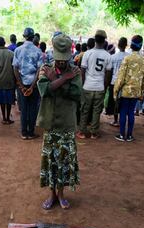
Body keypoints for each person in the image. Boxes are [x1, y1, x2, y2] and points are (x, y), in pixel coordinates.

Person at [37, 34, 82, 210]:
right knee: (50, 161)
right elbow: (45, 90)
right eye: (58, 59)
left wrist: (55, 80)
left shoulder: (76, 72)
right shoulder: (45, 69)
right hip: (50, 124)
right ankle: (52, 195)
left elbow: (77, 94)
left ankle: (62, 194)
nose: (61, 63)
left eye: (64, 60)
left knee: (64, 161)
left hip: (67, 124)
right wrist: (64, 79)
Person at [76, 30, 112, 139]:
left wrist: (82, 85)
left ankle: (82, 132)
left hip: (87, 86)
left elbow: (82, 71)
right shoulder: (107, 55)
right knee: (97, 111)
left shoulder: (87, 53)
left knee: (85, 110)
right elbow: (108, 74)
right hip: (100, 87)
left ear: (95, 39)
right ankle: (94, 133)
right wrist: (105, 87)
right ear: (104, 41)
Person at [113, 35, 144, 142]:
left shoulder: (127, 58)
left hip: (125, 90)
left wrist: (116, 90)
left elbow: (121, 77)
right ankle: (129, 135)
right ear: (141, 45)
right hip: (136, 91)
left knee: (123, 111)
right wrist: (142, 93)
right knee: (131, 112)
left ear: (131, 45)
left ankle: (121, 135)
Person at [13, 27, 43, 140]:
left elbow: (15, 69)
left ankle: (24, 132)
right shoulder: (38, 51)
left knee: (24, 108)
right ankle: (31, 132)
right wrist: (32, 85)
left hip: (22, 84)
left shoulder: (18, 50)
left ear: (24, 36)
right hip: (33, 85)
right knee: (33, 108)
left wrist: (21, 85)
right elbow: (39, 70)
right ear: (33, 36)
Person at [0, 37, 16, 124]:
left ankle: (4, 118)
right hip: (9, 80)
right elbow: (14, 68)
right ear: (5, 42)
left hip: (0, 81)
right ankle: (8, 118)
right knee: (9, 101)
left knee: (2, 101)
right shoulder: (11, 54)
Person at [106, 37, 129, 126]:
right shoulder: (128, 57)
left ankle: (115, 120)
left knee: (115, 101)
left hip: (114, 81)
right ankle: (121, 119)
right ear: (126, 45)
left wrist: (107, 83)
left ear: (118, 45)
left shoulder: (113, 57)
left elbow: (110, 71)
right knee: (122, 101)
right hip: (124, 83)